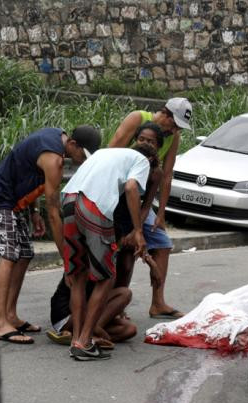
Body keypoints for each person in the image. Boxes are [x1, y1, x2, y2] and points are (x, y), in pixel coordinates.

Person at [0, 125, 100, 345]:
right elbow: (54, 213)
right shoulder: (54, 160)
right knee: (10, 254)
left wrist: (33, 211)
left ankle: (11, 315)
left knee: (25, 253)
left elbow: (27, 170)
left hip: (15, 204)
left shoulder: (55, 136)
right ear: (72, 144)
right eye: (82, 154)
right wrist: (67, 260)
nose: (82, 160)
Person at [60, 143, 158, 360]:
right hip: (94, 206)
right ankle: (83, 342)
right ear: (150, 161)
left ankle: (76, 339)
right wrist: (138, 230)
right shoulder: (141, 161)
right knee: (106, 277)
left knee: (78, 276)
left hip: (68, 199)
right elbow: (132, 187)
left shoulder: (106, 152)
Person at [107, 97, 194, 319]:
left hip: (142, 197)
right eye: (173, 124)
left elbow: (166, 174)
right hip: (117, 193)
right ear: (164, 114)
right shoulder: (137, 119)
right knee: (122, 251)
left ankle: (158, 303)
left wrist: (160, 213)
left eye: (178, 128)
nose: (174, 130)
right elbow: (109, 153)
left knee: (162, 243)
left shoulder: (172, 136)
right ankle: (114, 306)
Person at [47, 276, 137, 349]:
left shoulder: (108, 264)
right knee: (125, 293)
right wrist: (101, 333)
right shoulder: (81, 264)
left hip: (89, 316)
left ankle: (83, 336)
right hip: (68, 316)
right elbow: (75, 306)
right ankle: (88, 335)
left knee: (129, 329)